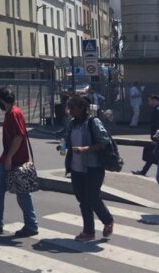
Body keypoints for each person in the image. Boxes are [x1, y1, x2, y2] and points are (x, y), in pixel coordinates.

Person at [0, 87, 39, 238]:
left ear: (1, 100)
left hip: (14, 159)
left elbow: (19, 137)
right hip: (12, 157)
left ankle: (26, 224)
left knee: (15, 191)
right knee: (13, 191)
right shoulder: (13, 112)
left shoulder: (13, 114)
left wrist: (9, 157)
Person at [58, 95, 114, 241]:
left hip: (93, 167)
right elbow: (67, 140)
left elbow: (104, 142)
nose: (70, 111)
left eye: (73, 108)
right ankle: (89, 231)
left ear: (82, 108)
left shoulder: (93, 122)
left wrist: (85, 149)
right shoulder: (71, 123)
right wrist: (62, 147)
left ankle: (108, 220)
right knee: (83, 200)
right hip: (76, 168)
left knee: (93, 198)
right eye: (69, 108)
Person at [132, 95, 159, 176]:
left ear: (155, 100)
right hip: (158, 137)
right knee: (152, 156)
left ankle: (143, 172)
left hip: (158, 138)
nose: (149, 103)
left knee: (157, 156)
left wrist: (156, 138)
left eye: (150, 101)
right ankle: (143, 172)